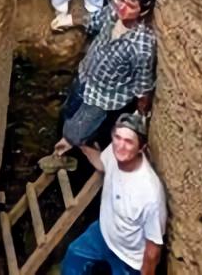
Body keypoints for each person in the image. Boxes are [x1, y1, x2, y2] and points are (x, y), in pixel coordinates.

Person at [49, 0, 157, 161]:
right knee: (68, 111)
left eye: (131, 6)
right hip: (84, 77)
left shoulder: (142, 46)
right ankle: (68, 135)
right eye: (122, 0)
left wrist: (140, 115)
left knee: (75, 134)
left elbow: (143, 87)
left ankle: (73, 154)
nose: (122, 7)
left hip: (103, 99)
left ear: (144, 10)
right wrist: (69, 19)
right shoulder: (114, 12)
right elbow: (94, 20)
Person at [61, 113, 166, 275]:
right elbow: (103, 163)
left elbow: (153, 251)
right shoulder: (114, 152)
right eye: (117, 137)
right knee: (74, 255)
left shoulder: (149, 194)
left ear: (141, 148)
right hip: (105, 232)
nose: (120, 146)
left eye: (129, 142)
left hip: (128, 257)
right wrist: (81, 145)